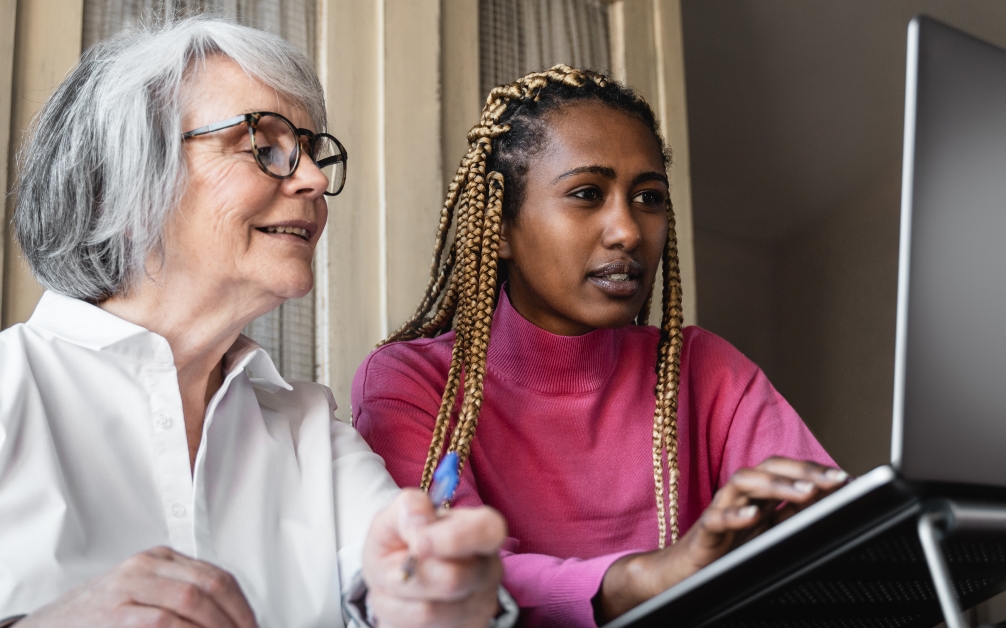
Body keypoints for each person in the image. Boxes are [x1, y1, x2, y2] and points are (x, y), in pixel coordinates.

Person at [0, 17, 514, 628]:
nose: (315, 179)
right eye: (264, 147)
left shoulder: (309, 434)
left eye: (312, 151)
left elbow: (401, 590)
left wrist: (437, 595)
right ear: (128, 184)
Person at [351, 65, 847, 626]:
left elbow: (843, 548)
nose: (628, 231)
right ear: (503, 225)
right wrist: (656, 573)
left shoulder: (702, 368)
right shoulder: (414, 384)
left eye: (649, 197)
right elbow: (454, 580)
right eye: (587, 194)